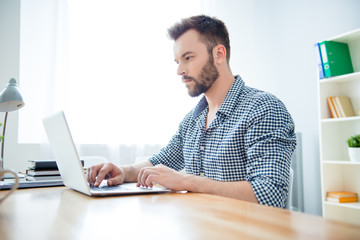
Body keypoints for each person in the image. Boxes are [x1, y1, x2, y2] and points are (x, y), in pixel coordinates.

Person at [88, 15, 296, 208]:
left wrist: (186, 181)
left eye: (188, 58)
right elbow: (160, 160)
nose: (180, 71)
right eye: (178, 61)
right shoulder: (193, 120)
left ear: (219, 54)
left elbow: (270, 194)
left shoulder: (263, 109)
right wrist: (123, 171)